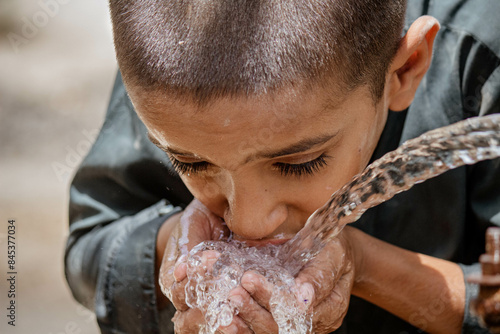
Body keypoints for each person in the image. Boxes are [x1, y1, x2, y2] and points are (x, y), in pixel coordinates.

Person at [64, 0, 500, 333]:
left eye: (299, 164)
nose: (249, 222)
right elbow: (90, 247)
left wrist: (361, 265)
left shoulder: (481, 61)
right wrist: (176, 247)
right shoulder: (178, 58)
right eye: (190, 162)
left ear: (404, 71)